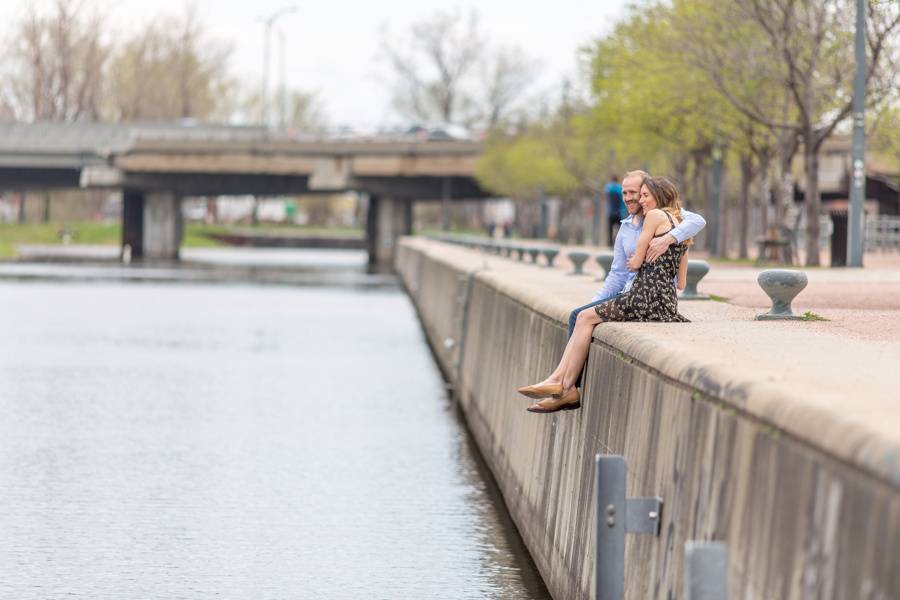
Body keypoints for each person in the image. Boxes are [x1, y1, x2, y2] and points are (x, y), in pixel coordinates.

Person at [517, 176, 694, 413]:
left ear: (658, 197)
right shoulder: (682, 231)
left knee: (584, 317)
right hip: (666, 303)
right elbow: (681, 283)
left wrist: (639, 258)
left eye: (644, 196)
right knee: (583, 317)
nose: (641, 201)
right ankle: (560, 381)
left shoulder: (653, 217)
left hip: (643, 296)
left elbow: (634, 263)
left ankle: (565, 385)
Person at [605, 175, 625, 242]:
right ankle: (618, 241)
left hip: (611, 212)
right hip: (619, 212)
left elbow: (607, 197)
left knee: (610, 229)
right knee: (620, 229)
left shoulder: (609, 187)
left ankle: (610, 243)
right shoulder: (620, 188)